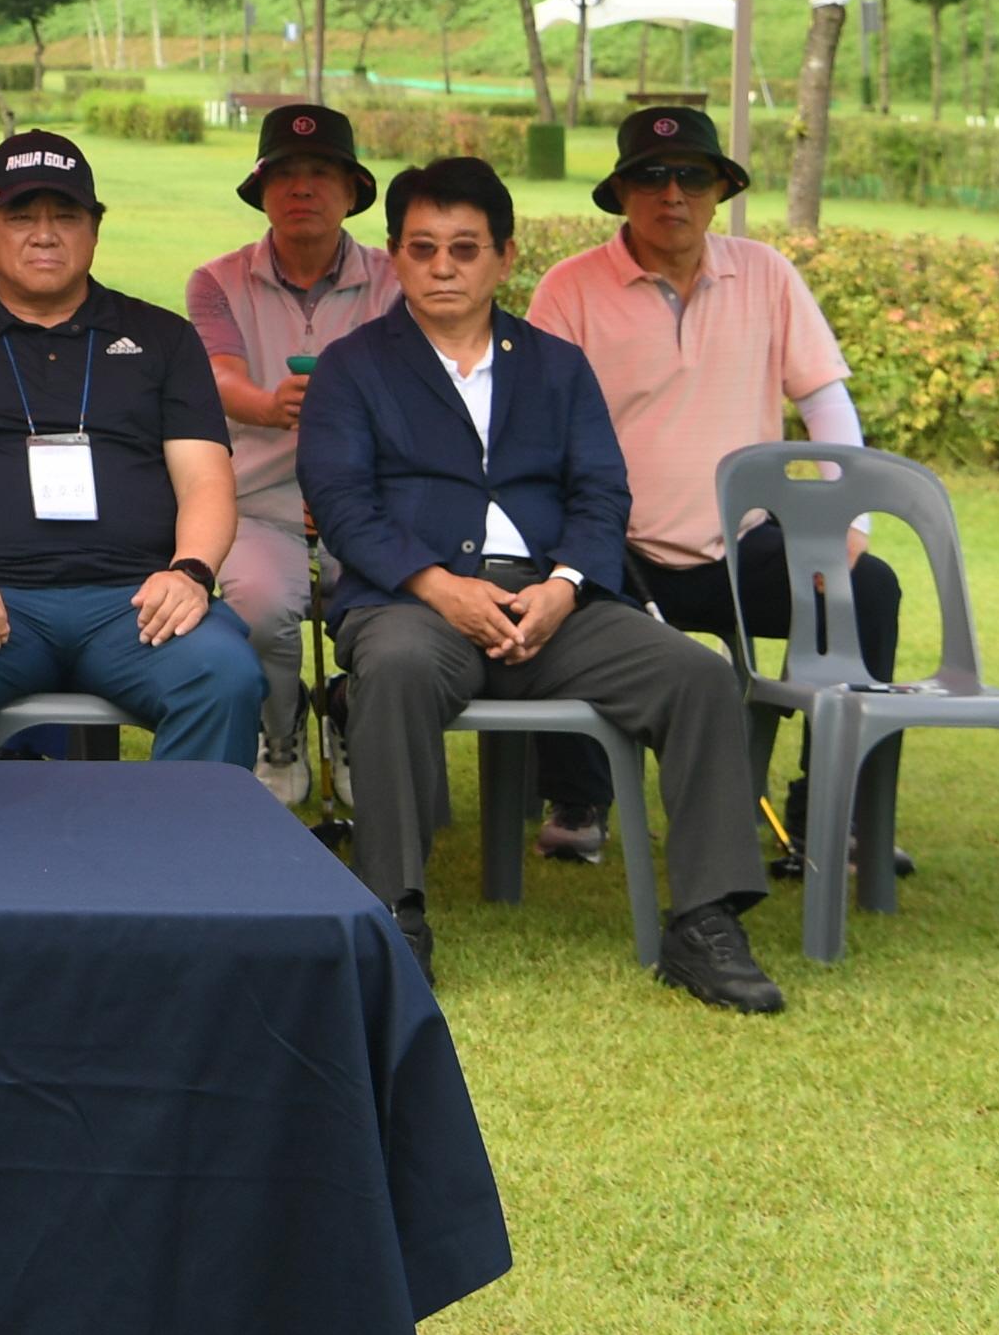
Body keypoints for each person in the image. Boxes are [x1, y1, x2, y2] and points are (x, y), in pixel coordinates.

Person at [300, 156, 785, 1010]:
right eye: (421, 248)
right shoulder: (353, 366)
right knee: (396, 669)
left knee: (696, 674)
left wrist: (563, 585)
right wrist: (438, 585)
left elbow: (601, 491)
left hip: (552, 599)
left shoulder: (556, 366)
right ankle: (395, 912)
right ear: (394, 256)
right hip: (414, 602)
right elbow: (341, 502)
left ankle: (703, 921)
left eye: (463, 248)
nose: (441, 266)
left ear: (504, 256)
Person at [524, 106, 901, 875]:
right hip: (613, 546)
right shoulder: (568, 289)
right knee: (544, 598)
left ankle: (839, 803)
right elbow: (532, 436)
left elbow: (824, 400)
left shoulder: (765, 272)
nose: (673, 194)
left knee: (871, 587)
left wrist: (847, 515)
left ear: (721, 187)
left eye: (692, 176)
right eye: (651, 177)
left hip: (743, 544)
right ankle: (577, 796)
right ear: (622, 191)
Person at [0, 131, 266, 767]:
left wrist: (190, 572)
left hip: (136, 599)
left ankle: (181, 862)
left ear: (95, 230)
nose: (44, 235)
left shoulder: (163, 338)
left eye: (66, 217)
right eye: (20, 217)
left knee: (223, 672)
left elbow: (206, 481)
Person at [183, 102, 400, 805]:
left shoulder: (397, 278)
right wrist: (266, 406)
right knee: (258, 603)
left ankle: (349, 713)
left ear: (350, 190)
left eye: (319, 172)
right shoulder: (215, 279)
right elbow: (217, 371)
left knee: (400, 615)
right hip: (259, 503)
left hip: (374, 504)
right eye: (285, 174)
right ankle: (279, 732)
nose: (301, 187)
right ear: (261, 189)